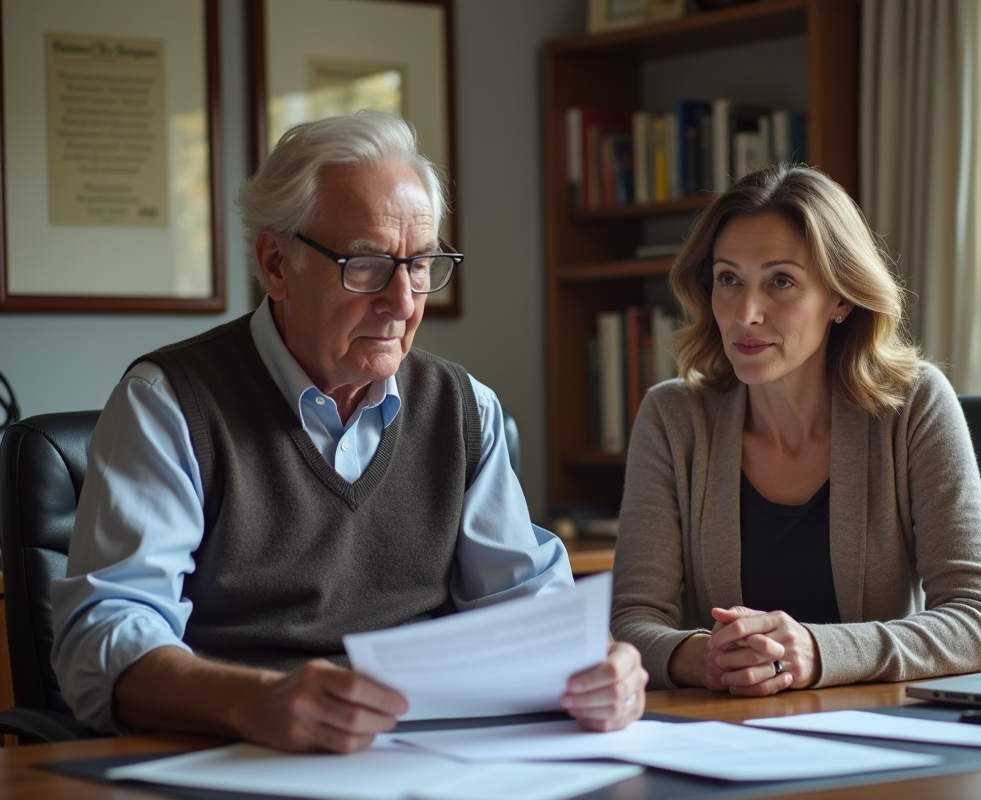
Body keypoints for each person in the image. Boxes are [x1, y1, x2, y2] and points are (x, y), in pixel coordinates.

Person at [52, 112, 646, 752]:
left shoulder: (463, 407)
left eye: (419, 265)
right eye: (366, 264)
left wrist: (601, 665)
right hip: (236, 755)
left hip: (434, 756)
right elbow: (102, 638)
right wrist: (254, 703)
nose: (403, 301)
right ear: (277, 264)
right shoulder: (168, 405)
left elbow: (528, 610)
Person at [611, 164, 981, 695]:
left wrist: (818, 653)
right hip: (726, 733)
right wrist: (703, 658)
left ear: (840, 299)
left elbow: (979, 622)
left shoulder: (914, 404)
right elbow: (631, 623)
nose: (746, 313)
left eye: (781, 282)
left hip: (879, 734)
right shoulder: (672, 418)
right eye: (729, 279)